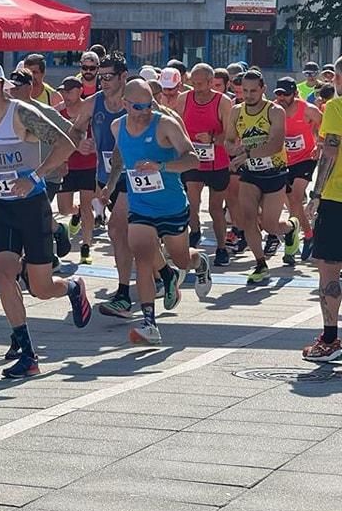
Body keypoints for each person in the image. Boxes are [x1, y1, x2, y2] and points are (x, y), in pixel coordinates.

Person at [0, 59, 90, 380]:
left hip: (31, 207)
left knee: (41, 289)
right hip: (3, 207)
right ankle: (27, 352)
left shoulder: (21, 113)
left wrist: (37, 176)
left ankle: (71, 288)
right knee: (2, 273)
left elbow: (66, 144)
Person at [108, 79, 212, 344]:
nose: (145, 111)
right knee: (142, 257)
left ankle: (198, 263)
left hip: (172, 206)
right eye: (138, 107)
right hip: (141, 207)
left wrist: (161, 166)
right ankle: (149, 324)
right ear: (125, 105)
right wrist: (110, 184)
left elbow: (192, 158)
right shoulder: (117, 126)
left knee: (181, 260)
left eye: (149, 105)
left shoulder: (165, 124)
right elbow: (120, 154)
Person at [68, 53, 134, 317]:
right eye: (100, 77)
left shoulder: (135, 102)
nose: (103, 82)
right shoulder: (94, 102)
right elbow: (74, 130)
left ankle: (123, 294)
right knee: (126, 236)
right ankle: (165, 273)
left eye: (109, 77)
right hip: (105, 176)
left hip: (133, 176)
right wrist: (79, 142)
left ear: (123, 77)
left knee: (118, 230)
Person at [225, 70, 301, 284]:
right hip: (250, 173)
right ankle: (260, 264)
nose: (248, 95)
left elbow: (276, 144)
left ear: (262, 90)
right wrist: (234, 150)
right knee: (247, 219)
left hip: (274, 172)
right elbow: (229, 140)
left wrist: (245, 153)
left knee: (270, 225)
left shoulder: (274, 111)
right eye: (244, 91)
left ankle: (291, 228)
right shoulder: (236, 111)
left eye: (253, 91)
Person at [7, 67, 72, 264]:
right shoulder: (7, 112)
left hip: (47, 174)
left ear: (30, 87)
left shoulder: (44, 112)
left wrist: (63, 160)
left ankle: (47, 257)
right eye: (11, 87)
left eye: (17, 87)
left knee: (35, 218)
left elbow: (71, 133)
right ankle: (56, 232)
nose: (13, 91)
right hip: (20, 175)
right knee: (32, 218)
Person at [302, 56, 342, 362]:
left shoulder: (336, 108)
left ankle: (330, 339)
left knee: (329, 268)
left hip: (336, 198)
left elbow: (330, 149)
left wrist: (315, 194)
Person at [176, 63, 233, 266]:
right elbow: (176, 126)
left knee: (216, 209)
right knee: (192, 201)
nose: (197, 88)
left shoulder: (223, 102)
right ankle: (195, 230)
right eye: (194, 83)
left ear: (211, 82)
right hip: (193, 160)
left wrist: (211, 138)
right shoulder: (185, 99)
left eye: (201, 84)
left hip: (217, 162)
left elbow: (231, 135)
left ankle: (221, 247)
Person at [274, 76, 321, 262]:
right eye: (278, 94)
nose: (282, 98)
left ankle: (293, 244)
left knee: (295, 197)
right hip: (284, 160)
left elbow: (325, 125)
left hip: (306, 158)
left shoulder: (308, 110)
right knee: (292, 203)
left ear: (294, 93)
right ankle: (307, 235)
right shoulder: (273, 109)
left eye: (285, 94)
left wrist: (320, 143)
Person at [57, 76, 97, 264]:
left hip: (88, 165)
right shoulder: (58, 112)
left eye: (69, 91)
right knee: (64, 208)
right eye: (63, 92)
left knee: (88, 205)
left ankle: (86, 246)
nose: (66, 95)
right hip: (67, 166)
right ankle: (77, 212)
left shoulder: (89, 110)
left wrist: (95, 146)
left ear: (80, 90)